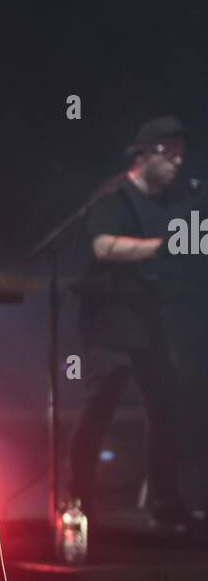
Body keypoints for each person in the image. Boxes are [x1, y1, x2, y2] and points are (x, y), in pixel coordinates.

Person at [67, 115, 192, 531]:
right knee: (100, 405)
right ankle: (78, 502)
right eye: (169, 153)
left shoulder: (173, 201)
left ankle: (165, 504)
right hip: (109, 318)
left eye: (181, 154)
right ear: (145, 155)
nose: (178, 161)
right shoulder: (113, 198)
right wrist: (163, 246)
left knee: (167, 405)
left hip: (146, 319)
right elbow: (103, 247)